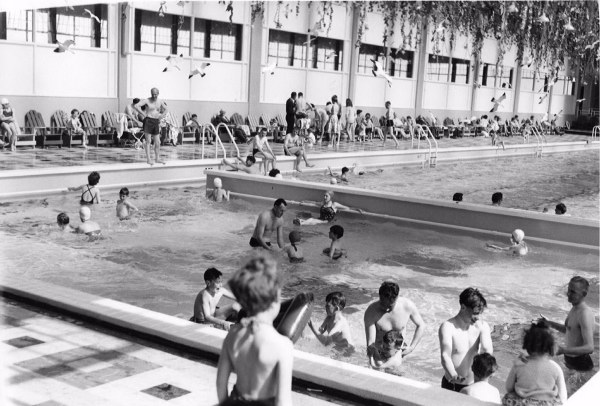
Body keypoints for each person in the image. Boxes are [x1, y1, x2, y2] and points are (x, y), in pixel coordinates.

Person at [216, 256, 293, 406]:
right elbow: (283, 401)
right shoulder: (283, 345)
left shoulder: (233, 335)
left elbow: (220, 384)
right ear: (274, 302)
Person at [439, 287, 493, 392]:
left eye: (479, 313)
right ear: (463, 307)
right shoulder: (448, 327)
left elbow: (487, 352)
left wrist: (484, 378)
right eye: (475, 313)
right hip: (452, 384)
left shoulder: (482, 326)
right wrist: (454, 375)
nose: (478, 317)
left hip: (474, 385)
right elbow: (445, 355)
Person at [503, 322, 567, 405]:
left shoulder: (519, 364)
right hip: (546, 404)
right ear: (553, 347)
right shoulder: (555, 368)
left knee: (508, 397)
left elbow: (508, 387)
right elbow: (563, 397)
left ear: (526, 344)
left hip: (523, 403)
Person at [540, 276, 594, 372]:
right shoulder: (575, 308)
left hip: (581, 363)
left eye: (573, 292)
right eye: (568, 290)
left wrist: (562, 350)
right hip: (570, 360)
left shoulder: (585, 313)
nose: (568, 294)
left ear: (584, 294)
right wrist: (549, 323)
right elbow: (569, 330)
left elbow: (589, 347)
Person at [364, 281, 425, 364]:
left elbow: (421, 325)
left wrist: (411, 348)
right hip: (379, 353)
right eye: (383, 304)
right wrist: (375, 359)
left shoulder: (407, 306)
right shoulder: (371, 311)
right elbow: (370, 342)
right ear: (380, 297)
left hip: (398, 353)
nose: (386, 309)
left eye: (390, 306)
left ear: (396, 298)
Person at [134, 87, 168, 165]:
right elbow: (136, 106)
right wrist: (143, 114)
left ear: (158, 93)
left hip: (156, 121)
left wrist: (161, 116)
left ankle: (157, 158)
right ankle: (148, 159)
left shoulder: (160, 101)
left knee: (158, 142)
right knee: (148, 141)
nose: (154, 96)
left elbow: (166, 109)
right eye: (152, 94)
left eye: (155, 94)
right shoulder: (147, 100)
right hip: (148, 120)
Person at [293, 190, 362, 226]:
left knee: (312, 220)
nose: (324, 197)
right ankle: (301, 222)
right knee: (312, 219)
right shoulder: (322, 203)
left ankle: (301, 223)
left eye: (326, 196)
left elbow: (347, 208)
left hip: (327, 222)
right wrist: (305, 201)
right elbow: (313, 202)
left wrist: (357, 209)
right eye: (324, 196)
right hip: (320, 220)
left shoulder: (334, 205)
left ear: (330, 197)